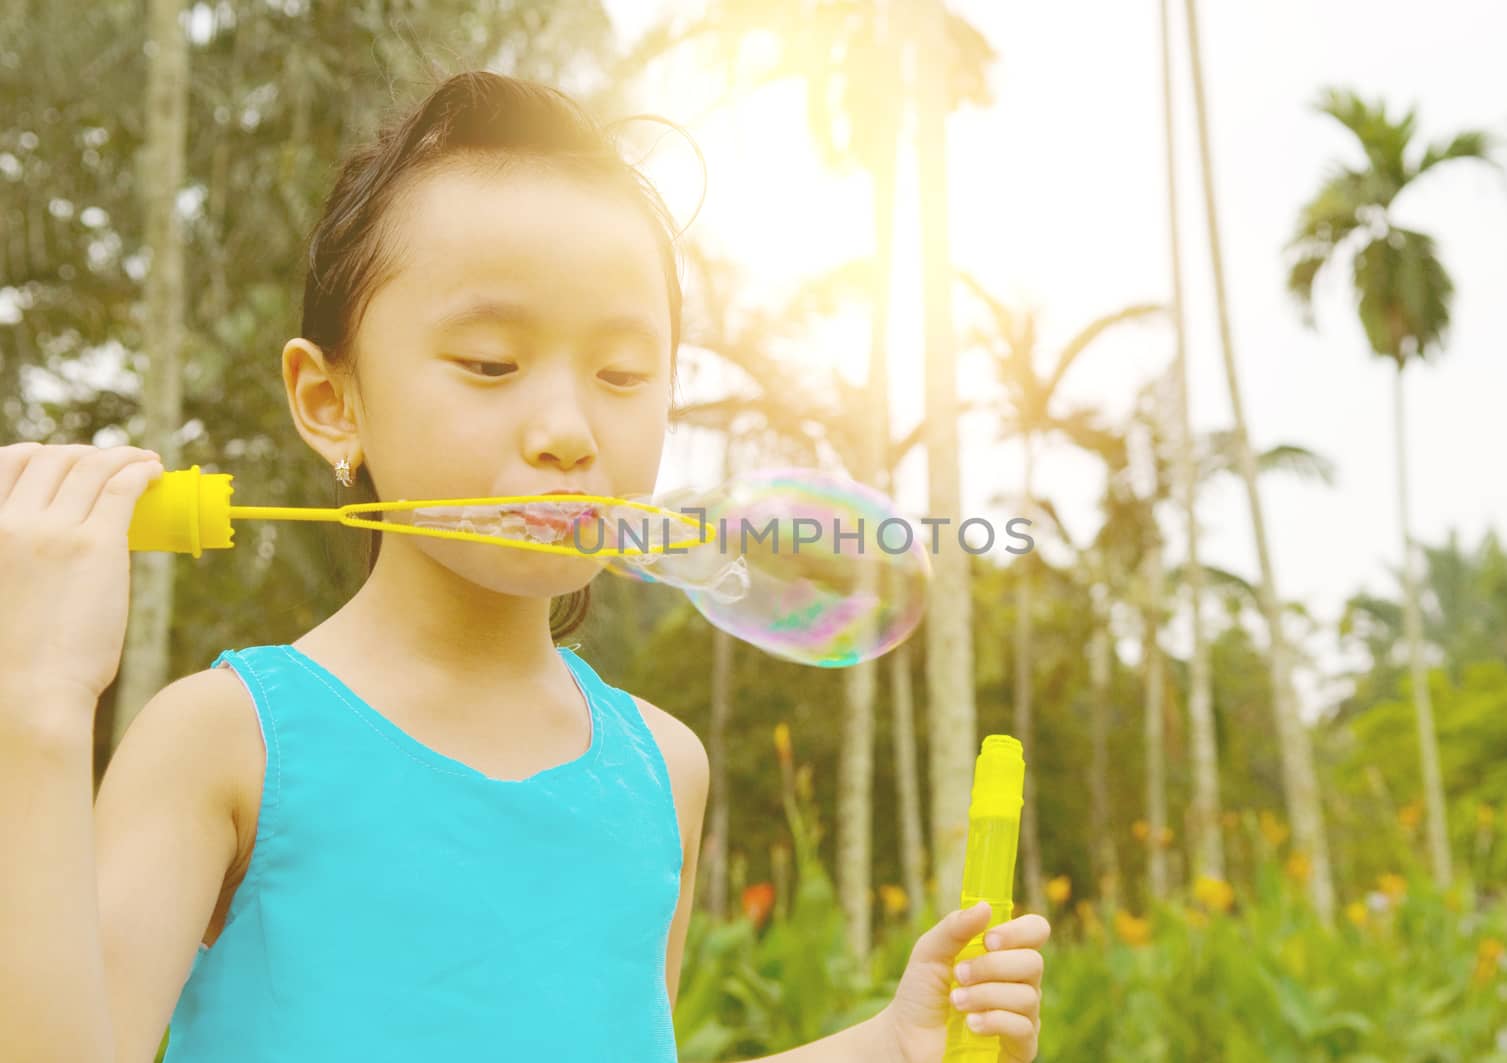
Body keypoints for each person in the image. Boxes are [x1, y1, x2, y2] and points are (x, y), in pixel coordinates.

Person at [0, 71, 1047, 1062]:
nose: (565, 429)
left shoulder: (662, 768)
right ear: (330, 401)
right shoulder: (224, 739)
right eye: (492, 364)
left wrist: (886, 1042)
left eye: (623, 373)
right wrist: (37, 708)